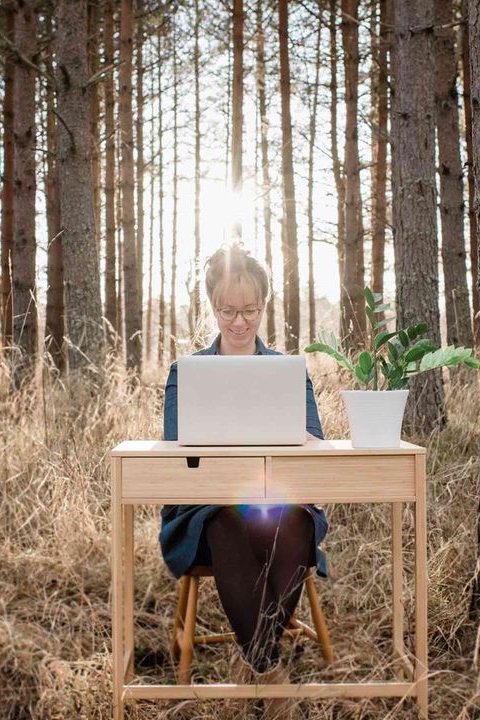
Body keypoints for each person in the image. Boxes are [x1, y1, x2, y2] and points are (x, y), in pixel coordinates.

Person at [160, 243, 329, 677]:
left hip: (279, 502)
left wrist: (296, 436)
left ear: (263, 306)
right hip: (207, 510)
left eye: (250, 310)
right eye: (227, 311)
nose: (239, 322)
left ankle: (259, 658)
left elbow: (316, 441)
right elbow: (179, 450)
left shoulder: (288, 370)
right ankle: (268, 661)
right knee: (225, 521)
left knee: (295, 521)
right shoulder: (187, 371)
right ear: (212, 308)